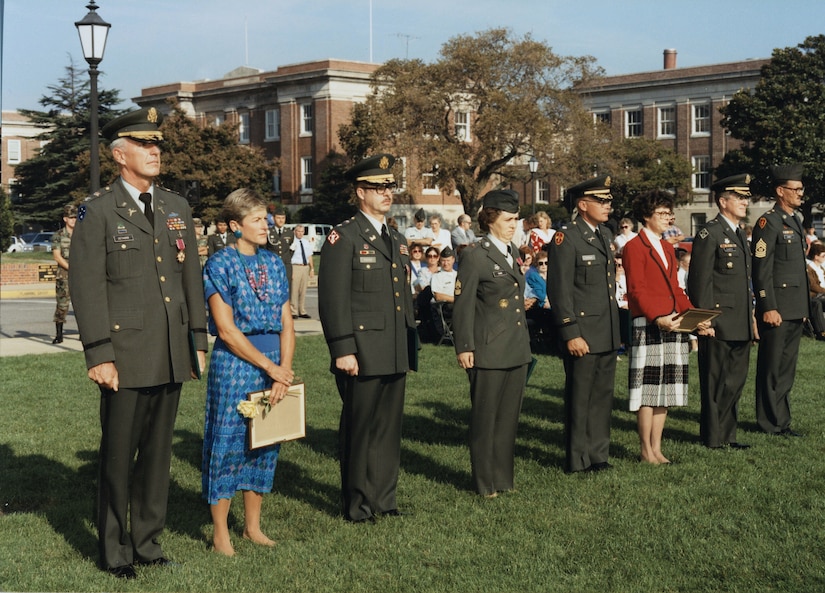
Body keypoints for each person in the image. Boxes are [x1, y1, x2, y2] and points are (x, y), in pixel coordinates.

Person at [69, 108, 208, 579]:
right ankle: (113, 549)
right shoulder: (99, 210)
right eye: (144, 144)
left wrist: (197, 341)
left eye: (158, 144)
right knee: (118, 454)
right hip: (125, 355)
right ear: (118, 154)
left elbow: (190, 277)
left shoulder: (176, 207)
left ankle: (147, 541)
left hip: (170, 350)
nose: (155, 151)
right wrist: (99, 353)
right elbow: (87, 288)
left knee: (157, 454)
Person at [318, 154, 416, 523]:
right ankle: (357, 504)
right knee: (360, 430)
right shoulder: (343, 236)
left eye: (389, 186)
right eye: (378, 188)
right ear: (360, 192)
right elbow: (333, 299)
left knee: (388, 430)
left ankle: (384, 499)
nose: (386, 193)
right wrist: (343, 349)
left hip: (393, 348)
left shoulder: (396, 237)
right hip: (360, 350)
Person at [202, 188, 295, 557]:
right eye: (256, 219)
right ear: (234, 225)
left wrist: (283, 370)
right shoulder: (219, 264)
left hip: (274, 362)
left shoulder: (274, 263)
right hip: (236, 364)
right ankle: (220, 531)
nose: (265, 224)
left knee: (264, 440)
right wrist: (270, 366)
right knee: (228, 444)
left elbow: (287, 321)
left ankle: (252, 526)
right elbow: (226, 329)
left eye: (265, 218)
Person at [452, 189, 532, 497]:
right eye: (508, 219)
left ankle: (503, 478)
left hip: (514, 347)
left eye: (516, 219)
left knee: (508, 420)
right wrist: (464, 346)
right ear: (490, 219)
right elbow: (463, 305)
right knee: (486, 419)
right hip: (487, 349)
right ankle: (485, 482)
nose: (514, 225)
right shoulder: (476, 254)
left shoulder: (511, 251)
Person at [623, 190, 706, 464]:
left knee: (666, 389)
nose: (668, 218)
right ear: (647, 216)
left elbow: (676, 289)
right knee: (648, 390)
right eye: (662, 213)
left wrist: (695, 317)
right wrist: (657, 317)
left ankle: (657, 449)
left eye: (669, 213)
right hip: (649, 323)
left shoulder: (669, 248)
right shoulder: (634, 247)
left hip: (673, 322)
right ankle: (645, 450)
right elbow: (636, 290)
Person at [546, 175, 620, 473]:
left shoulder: (602, 235)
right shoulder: (567, 238)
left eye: (608, 200)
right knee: (580, 397)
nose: (608, 206)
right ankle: (577, 459)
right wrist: (571, 332)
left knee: (602, 397)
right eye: (601, 201)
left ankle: (598, 455)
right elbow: (560, 290)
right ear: (582, 204)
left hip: (606, 330)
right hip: (583, 333)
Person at [688, 174, 755, 450]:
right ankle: (713, 437)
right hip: (717, 320)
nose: (744, 202)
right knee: (715, 380)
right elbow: (699, 280)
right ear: (723, 201)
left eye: (745, 197)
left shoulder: (739, 232)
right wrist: (703, 319)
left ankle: (729, 434)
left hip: (739, 317)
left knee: (735, 380)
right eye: (739, 197)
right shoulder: (710, 232)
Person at [752, 164, 810, 436]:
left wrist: (803, 307)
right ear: (780, 191)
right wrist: (768, 306)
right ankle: (768, 421)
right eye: (796, 189)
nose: (801, 193)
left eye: (801, 188)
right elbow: (762, 270)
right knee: (772, 368)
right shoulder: (768, 222)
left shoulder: (795, 220)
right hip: (776, 308)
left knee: (786, 369)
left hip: (794, 307)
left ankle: (781, 421)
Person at [50, 203, 76, 344]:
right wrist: (72, 269)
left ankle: (84, 334)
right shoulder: (58, 236)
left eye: (75, 217)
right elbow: (57, 256)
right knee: (62, 305)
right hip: (64, 276)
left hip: (81, 276)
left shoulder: (82, 234)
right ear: (65, 219)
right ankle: (59, 334)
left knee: (83, 306)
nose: (74, 220)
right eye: (71, 217)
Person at [289, 224, 314, 319]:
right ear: (295, 232)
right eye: (298, 231)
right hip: (296, 266)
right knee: (294, 289)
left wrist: (311, 268)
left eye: (302, 231)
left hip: (305, 267)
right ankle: (293, 311)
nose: (300, 233)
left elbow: (309, 255)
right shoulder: (292, 242)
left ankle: (302, 310)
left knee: (303, 290)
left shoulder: (306, 242)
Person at [265, 205, 293, 290]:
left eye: (283, 218)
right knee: (273, 287)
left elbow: (291, 248)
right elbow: (264, 248)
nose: (281, 220)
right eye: (278, 218)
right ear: (273, 218)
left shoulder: (289, 233)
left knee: (286, 287)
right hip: (272, 264)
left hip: (286, 264)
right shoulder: (269, 232)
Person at [806, 242, 825, 338]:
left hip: (822, 294)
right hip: (814, 296)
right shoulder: (809, 269)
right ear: (816, 256)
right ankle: (821, 332)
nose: (824, 257)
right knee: (817, 304)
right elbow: (813, 286)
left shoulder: (821, 268)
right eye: (823, 255)